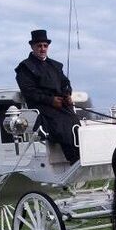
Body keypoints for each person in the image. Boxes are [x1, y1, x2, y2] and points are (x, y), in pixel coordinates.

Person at [15, 29, 80, 164]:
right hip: (42, 107)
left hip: (60, 105)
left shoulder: (55, 66)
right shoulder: (25, 68)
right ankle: (73, 159)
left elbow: (65, 83)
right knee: (63, 122)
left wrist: (67, 94)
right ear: (32, 47)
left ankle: (81, 155)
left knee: (74, 119)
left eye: (45, 46)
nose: (42, 49)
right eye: (39, 46)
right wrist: (50, 100)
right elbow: (29, 92)